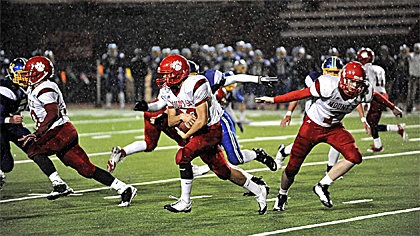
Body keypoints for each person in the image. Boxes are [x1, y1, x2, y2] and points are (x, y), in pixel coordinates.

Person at [256, 61, 403, 211]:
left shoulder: (364, 91)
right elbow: (300, 94)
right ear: (343, 78)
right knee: (292, 168)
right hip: (311, 126)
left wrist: (393, 107)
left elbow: (376, 95)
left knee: (355, 156)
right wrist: (274, 100)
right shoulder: (327, 84)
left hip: (334, 128)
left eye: (358, 84)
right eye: (352, 82)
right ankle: (282, 195)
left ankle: (322, 185)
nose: (354, 87)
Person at [18, 56, 137, 206]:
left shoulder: (45, 88)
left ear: (39, 73)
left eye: (29, 72)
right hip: (63, 130)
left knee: (34, 150)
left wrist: (38, 132)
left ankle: (59, 185)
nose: (27, 76)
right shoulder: (35, 87)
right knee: (86, 169)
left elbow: (53, 112)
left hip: (59, 130)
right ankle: (124, 188)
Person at [156, 55, 268, 214]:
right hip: (199, 132)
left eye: (167, 74)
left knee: (183, 155)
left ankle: (185, 201)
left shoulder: (197, 84)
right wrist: (182, 116)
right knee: (224, 172)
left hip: (211, 130)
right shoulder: (168, 90)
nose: (164, 78)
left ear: (178, 73)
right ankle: (258, 190)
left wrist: (185, 135)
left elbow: (201, 120)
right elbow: (171, 121)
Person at [274, 57, 361, 173]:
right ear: (324, 71)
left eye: (336, 72)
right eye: (330, 72)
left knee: (340, 141)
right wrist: (289, 113)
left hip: (331, 118)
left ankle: (331, 169)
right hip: (313, 117)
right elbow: (298, 95)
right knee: (302, 146)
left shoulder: (344, 83)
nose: (333, 75)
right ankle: (284, 151)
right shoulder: (316, 79)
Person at [357, 48, 408, 152]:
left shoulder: (366, 69)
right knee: (372, 124)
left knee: (370, 125)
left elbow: (371, 87)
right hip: (383, 95)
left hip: (376, 97)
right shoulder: (379, 68)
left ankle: (394, 131)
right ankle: (379, 145)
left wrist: (367, 101)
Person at [0, 58, 31, 190]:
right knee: (6, 164)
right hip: (3, 124)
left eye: (27, 74)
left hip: (11, 123)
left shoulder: (27, 87)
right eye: (22, 75)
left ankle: (55, 179)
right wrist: (9, 120)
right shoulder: (6, 89)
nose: (26, 78)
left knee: (33, 145)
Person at [100, 43, 127, 109]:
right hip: (110, 72)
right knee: (108, 88)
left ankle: (122, 105)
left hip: (118, 72)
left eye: (113, 50)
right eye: (111, 50)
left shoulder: (120, 56)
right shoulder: (106, 56)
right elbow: (104, 65)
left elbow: (123, 66)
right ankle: (108, 104)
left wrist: (123, 74)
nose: (112, 51)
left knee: (120, 89)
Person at [406, 42, 420, 113]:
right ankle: (409, 107)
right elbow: (407, 55)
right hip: (413, 76)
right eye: (416, 48)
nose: (417, 50)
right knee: (411, 93)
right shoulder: (411, 55)